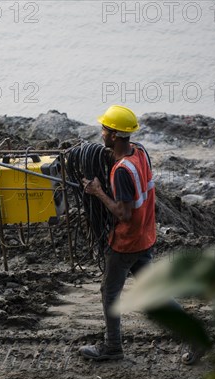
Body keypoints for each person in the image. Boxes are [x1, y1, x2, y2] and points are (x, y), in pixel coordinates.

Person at [79, 105, 157, 361]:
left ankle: (113, 347)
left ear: (114, 135)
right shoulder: (141, 153)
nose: (101, 133)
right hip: (145, 237)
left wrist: (97, 191)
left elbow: (123, 213)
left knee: (109, 292)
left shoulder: (122, 171)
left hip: (126, 242)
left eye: (104, 129)